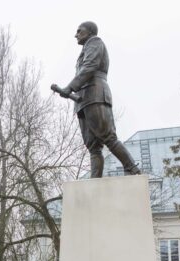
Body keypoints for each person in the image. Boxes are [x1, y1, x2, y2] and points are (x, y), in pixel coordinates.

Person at [51, 21, 142, 178]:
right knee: (93, 146)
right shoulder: (86, 48)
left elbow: (90, 66)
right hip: (82, 99)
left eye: (80, 31)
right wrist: (73, 89)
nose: (76, 34)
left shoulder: (95, 43)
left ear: (90, 32)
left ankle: (132, 168)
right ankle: (95, 182)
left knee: (108, 136)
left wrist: (70, 87)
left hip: (95, 94)